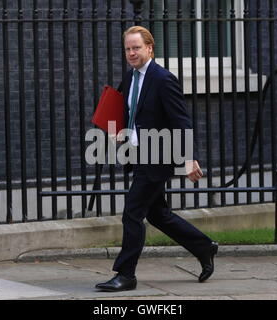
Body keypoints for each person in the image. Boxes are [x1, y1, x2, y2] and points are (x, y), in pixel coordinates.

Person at [95, 26, 218, 292]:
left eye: (136, 48)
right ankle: (204, 246)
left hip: (157, 158)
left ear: (150, 48)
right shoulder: (130, 79)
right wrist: (118, 132)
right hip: (139, 156)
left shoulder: (163, 79)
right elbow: (123, 110)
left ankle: (126, 275)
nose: (131, 53)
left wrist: (188, 158)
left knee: (132, 213)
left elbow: (181, 121)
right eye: (128, 48)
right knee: (158, 214)